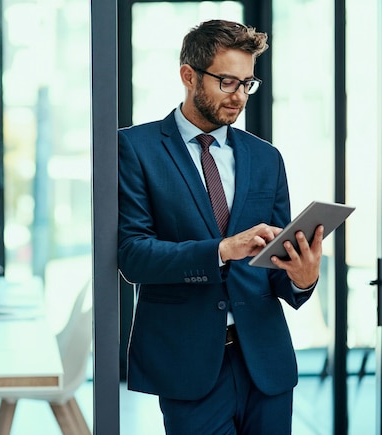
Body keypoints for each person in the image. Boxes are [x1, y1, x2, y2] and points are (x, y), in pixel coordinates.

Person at [117, 19, 323, 434]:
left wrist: (303, 278)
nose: (239, 96)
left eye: (248, 84)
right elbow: (133, 256)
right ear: (188, 75)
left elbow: (277, 263)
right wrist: (222, 249)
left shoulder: (267, 158)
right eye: (228, 82)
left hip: (266, 364)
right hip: (188, 367)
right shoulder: (134, 148)